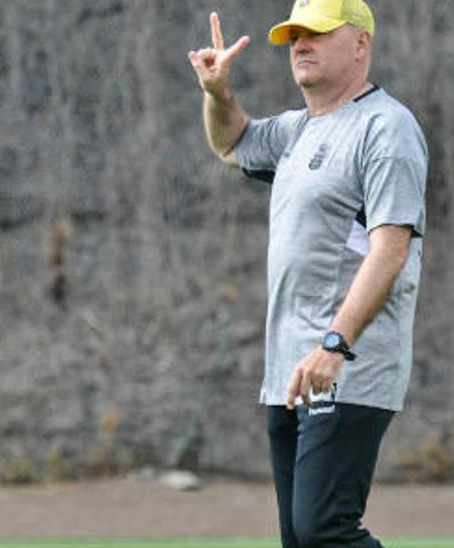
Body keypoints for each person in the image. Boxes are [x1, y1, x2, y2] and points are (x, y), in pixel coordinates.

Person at [187, 1, 427, 546]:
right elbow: (231, 144)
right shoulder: (296, 130)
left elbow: (390, 250)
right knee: (301, 540)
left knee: (324, 530)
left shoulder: (387, 128)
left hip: (345, 365)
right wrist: (218, 93)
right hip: (289, 371)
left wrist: (335, 344)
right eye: (295, 35)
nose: (300, 45)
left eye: (317, 33)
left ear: (361, 45)